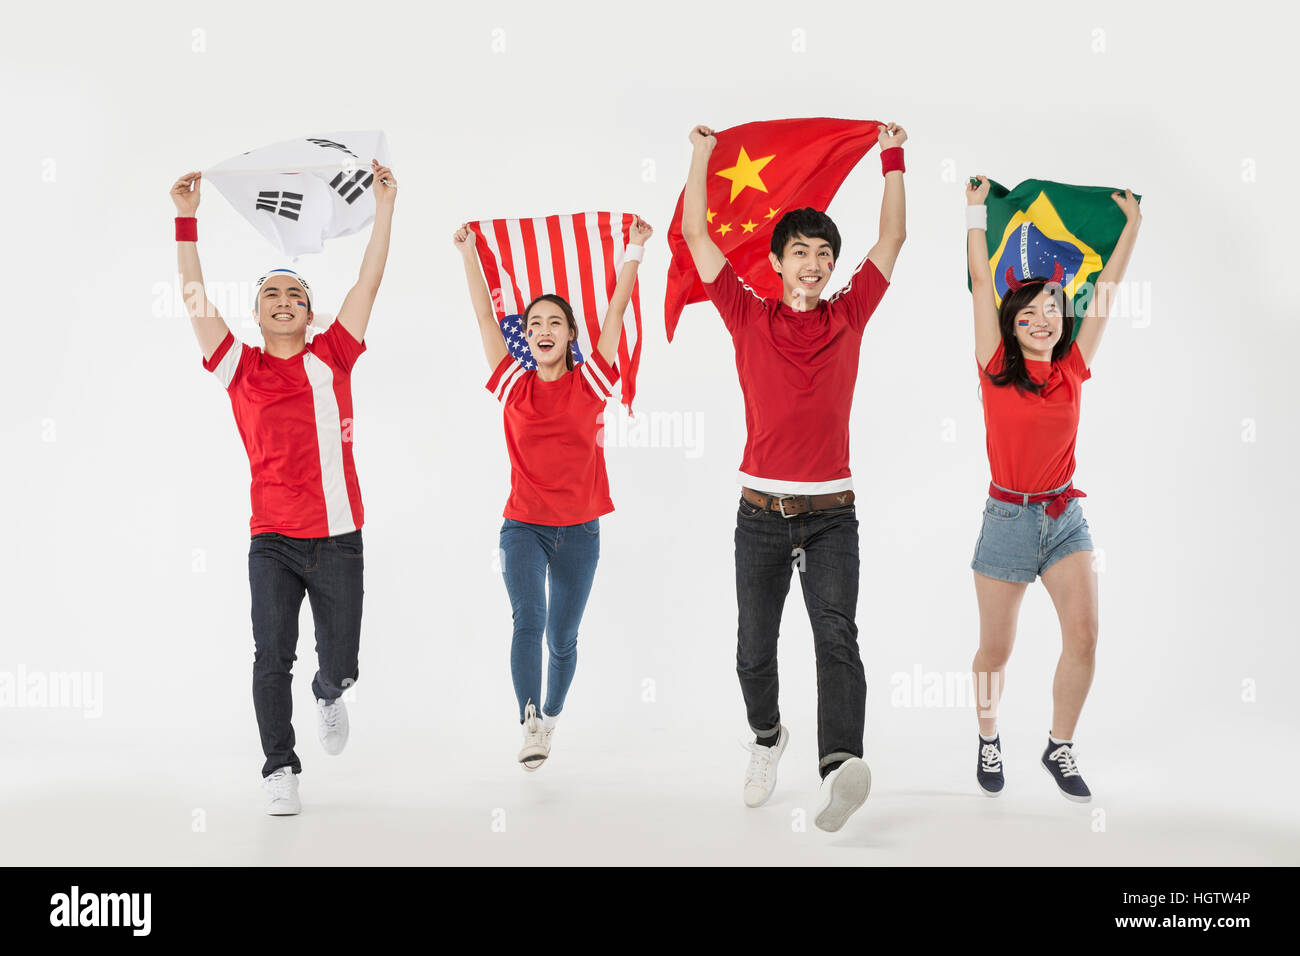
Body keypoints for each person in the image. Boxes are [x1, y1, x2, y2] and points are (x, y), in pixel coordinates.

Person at [680, 122, 907, 831]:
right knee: (754, 648)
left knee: (836, 635)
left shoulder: (850, 314)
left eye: (824, 253)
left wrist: (892, 159)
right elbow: (696, 237)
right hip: (761, 515)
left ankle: (841, 765)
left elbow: (892, 240)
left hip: (833, 513)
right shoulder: (747, 313)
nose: (814, 262)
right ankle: (768, 736)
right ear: (777, 260)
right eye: (801, 251)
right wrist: (701, 156)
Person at [170, 160, 397, 814]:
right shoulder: (239, 366)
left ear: (308, 311)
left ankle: (330, 694)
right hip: (271, 539)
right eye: (271, 294)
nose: (283, 302)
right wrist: (186, 218)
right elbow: (193, 298)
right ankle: (279, 767)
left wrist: (384, 207)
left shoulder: (334, 355)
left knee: (341, 665)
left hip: (338, 537)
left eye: (294, 295)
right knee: (271, 654)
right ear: (258, 311)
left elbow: (370, 280)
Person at [964, 175, 1141, 802]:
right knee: (995, 651)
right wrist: (975, 210)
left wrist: (1131, 229)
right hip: (1008, 520)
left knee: (1085, 638)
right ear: (1013, 323)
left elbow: (1107, 295)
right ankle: (988, 736)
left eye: (1053, 309)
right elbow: (984, 281)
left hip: (1065, 516)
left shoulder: (1070, 369)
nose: (1044, 318)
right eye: (1031, 311)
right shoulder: (994, 368)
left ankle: (1058, 747)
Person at [454, 216, 651, 771]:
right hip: (523, 528)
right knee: (529, 621)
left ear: (569, 335)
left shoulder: (591, 383)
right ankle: (531, 721)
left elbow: (614, 312)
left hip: (581, 532)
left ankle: (553, 715)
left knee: (563, 639)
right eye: (535, 321)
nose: (543, 329)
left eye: (555, 322)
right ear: (529, 333)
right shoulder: (511, 383)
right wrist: (468, 253)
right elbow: (483, 317)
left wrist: (634, 247)